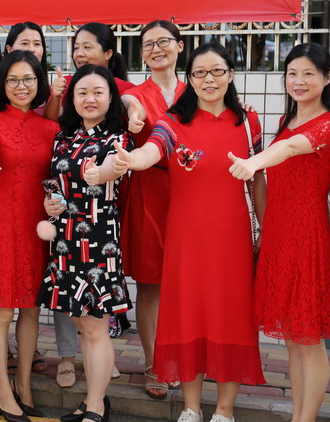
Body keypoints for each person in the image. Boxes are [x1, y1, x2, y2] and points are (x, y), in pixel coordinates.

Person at [113, 43, 266, 422]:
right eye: (200, 72)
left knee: (232, 317)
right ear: (190, 79)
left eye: (217, 71)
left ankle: (225, 411)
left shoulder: (248, 121)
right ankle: (192, 407)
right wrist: (131, 159)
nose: (209, 79)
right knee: (187, 316)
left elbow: (258, 180)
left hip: (233, 239)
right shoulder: (172, 121)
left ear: (231, 74)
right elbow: (152, 151)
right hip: (185, 240)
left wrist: (267, 229)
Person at [227, 42, 330, 422]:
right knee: (292, 339)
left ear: (327, 78)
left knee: (309, 339)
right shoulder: (288, 119)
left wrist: (252, 162)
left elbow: (288, 150)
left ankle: (306, 418)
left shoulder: (325, 124)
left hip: (307, 236)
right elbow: (281, 154)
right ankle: (298, 416)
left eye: (308, 74)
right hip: (279, 235)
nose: (298, 81)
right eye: (292, 73)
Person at [38, 64, 133, 422]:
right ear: (72, 98)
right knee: (82, 323)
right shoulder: (63, 138)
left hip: (97, 241)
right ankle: (94, 401)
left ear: (111, 97)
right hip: (64, 240)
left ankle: (95, 405)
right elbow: (56, 183)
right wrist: (50, 203)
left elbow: (113, 169)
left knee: (94, 326)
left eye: (97, 92)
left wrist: (99, 173)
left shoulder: (118, 139)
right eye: (82, 92)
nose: (89, 99)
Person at [0, 50, 57, 422]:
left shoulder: (51, 129)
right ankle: (2, 391)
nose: (21, 86)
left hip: (37, 227)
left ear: (39, 83)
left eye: (28, 79)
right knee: (3, 313)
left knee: (31, 310)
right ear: (2, 85)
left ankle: (23, 386)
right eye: (13, 80)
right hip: (2, 227)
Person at [118, 20, 186, 400]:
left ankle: (182, 358)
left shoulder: (196, 90)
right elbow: (130, 106)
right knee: (151, 284)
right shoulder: (136, 94)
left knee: (187, 282)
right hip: (150, 192)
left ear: (179, 46)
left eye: (164, 42)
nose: (156, 49)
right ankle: (153, 362)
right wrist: (133, 114)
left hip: (190, 193)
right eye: (148, 44)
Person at [44, 22, 135, 122]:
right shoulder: (66, 83)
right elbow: (50, 120)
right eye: (76, 48)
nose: (79, 54)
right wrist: (56, 97)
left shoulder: (128, 90)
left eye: (87, 47)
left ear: (108, 54)